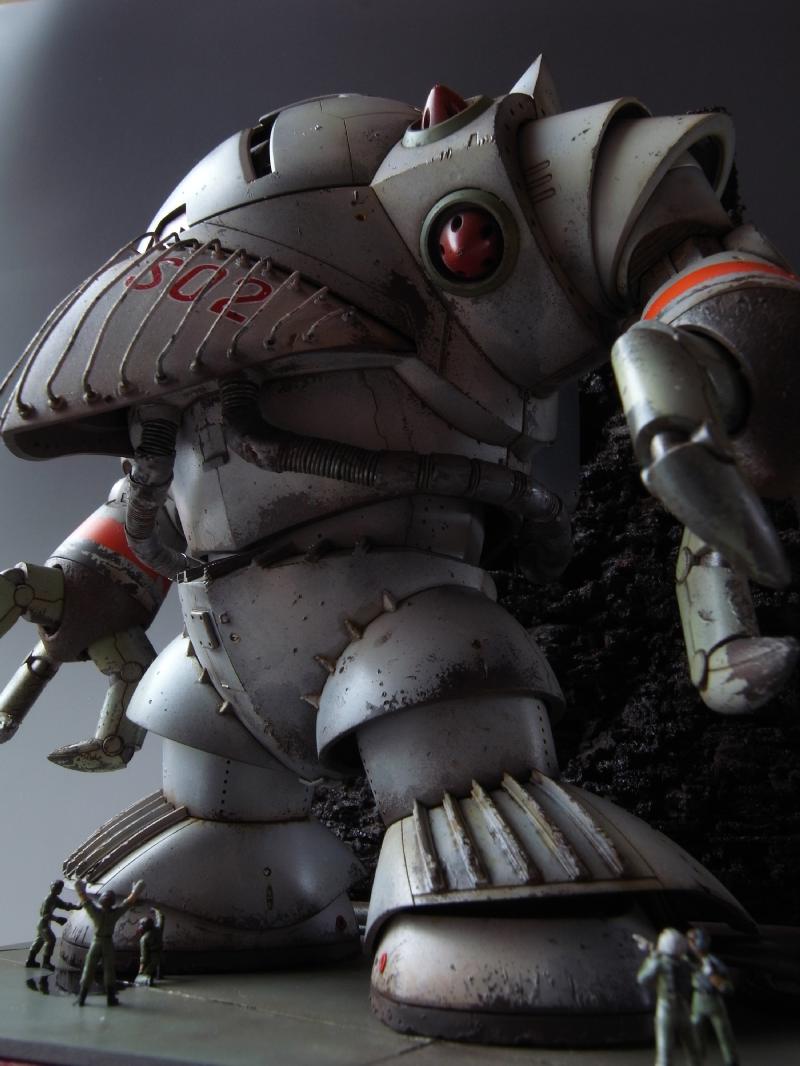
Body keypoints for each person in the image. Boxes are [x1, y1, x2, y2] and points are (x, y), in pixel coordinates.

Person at [75, 878, 145, 1007]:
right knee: (109, 970)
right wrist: (135, 892)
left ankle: (82, 997)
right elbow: (127, 903)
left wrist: (80, 890)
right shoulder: (115, 913)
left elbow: (85, 901)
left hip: (97, 942)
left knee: (89, 968)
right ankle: (110, 998)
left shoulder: (95, 912)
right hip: (107, 943)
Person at [637, 928, 701, 1066]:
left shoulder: (660, 962)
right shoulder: (685, 963)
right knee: (692, 1049)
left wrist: (652, 958)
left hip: (666, 1008)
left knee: (665, 1053)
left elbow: (642, 978)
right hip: (683, 1007)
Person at [687, 928, 739, 1066]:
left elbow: (727, 986)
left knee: (723, 1033)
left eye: (693, 940)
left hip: (713, 999)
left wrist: (715, 978)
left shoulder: (713, 962)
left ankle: (731, 1061)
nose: (690, 943)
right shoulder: (690, 960)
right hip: (698, 999)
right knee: (696, 1033)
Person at [25, 879, 79, 971]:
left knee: (39, 941)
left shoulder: (54, 898)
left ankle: (30, 960)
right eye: (58, 888)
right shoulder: (49, 899)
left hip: (44, 924)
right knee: (51, 940)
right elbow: (45, 914)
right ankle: (46, 963)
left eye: (60, 888)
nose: (59, 890)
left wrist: (77, 907)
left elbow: (64, 905)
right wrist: (57, 919)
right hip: (43, 924)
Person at [137, 908, 164, 985]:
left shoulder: (144, 939)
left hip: (152, 956)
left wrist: (141, 968)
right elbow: (161, 919)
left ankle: (148, 981)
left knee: (145, 973)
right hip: (160, 953)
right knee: (159, 965)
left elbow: (144, 956)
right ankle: (159, 976)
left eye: (141, 924)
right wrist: (157, 911)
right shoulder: (158, 929)